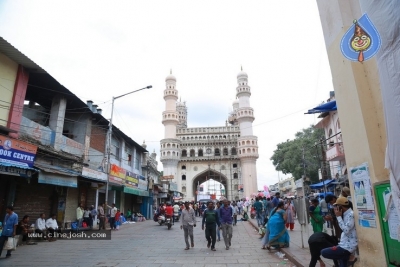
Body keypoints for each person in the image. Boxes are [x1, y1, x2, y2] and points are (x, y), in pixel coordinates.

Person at [321, 197, 358, 267]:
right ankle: (347, 257)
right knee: (342, 262)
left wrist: (338, 217)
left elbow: (346, 230)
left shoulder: (351, 214)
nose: (335, 208)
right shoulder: (345, 214)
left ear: (340, 206)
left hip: (347, 246)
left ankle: (350, 257)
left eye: (336, 206)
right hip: (343, 244)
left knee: (324, 252)